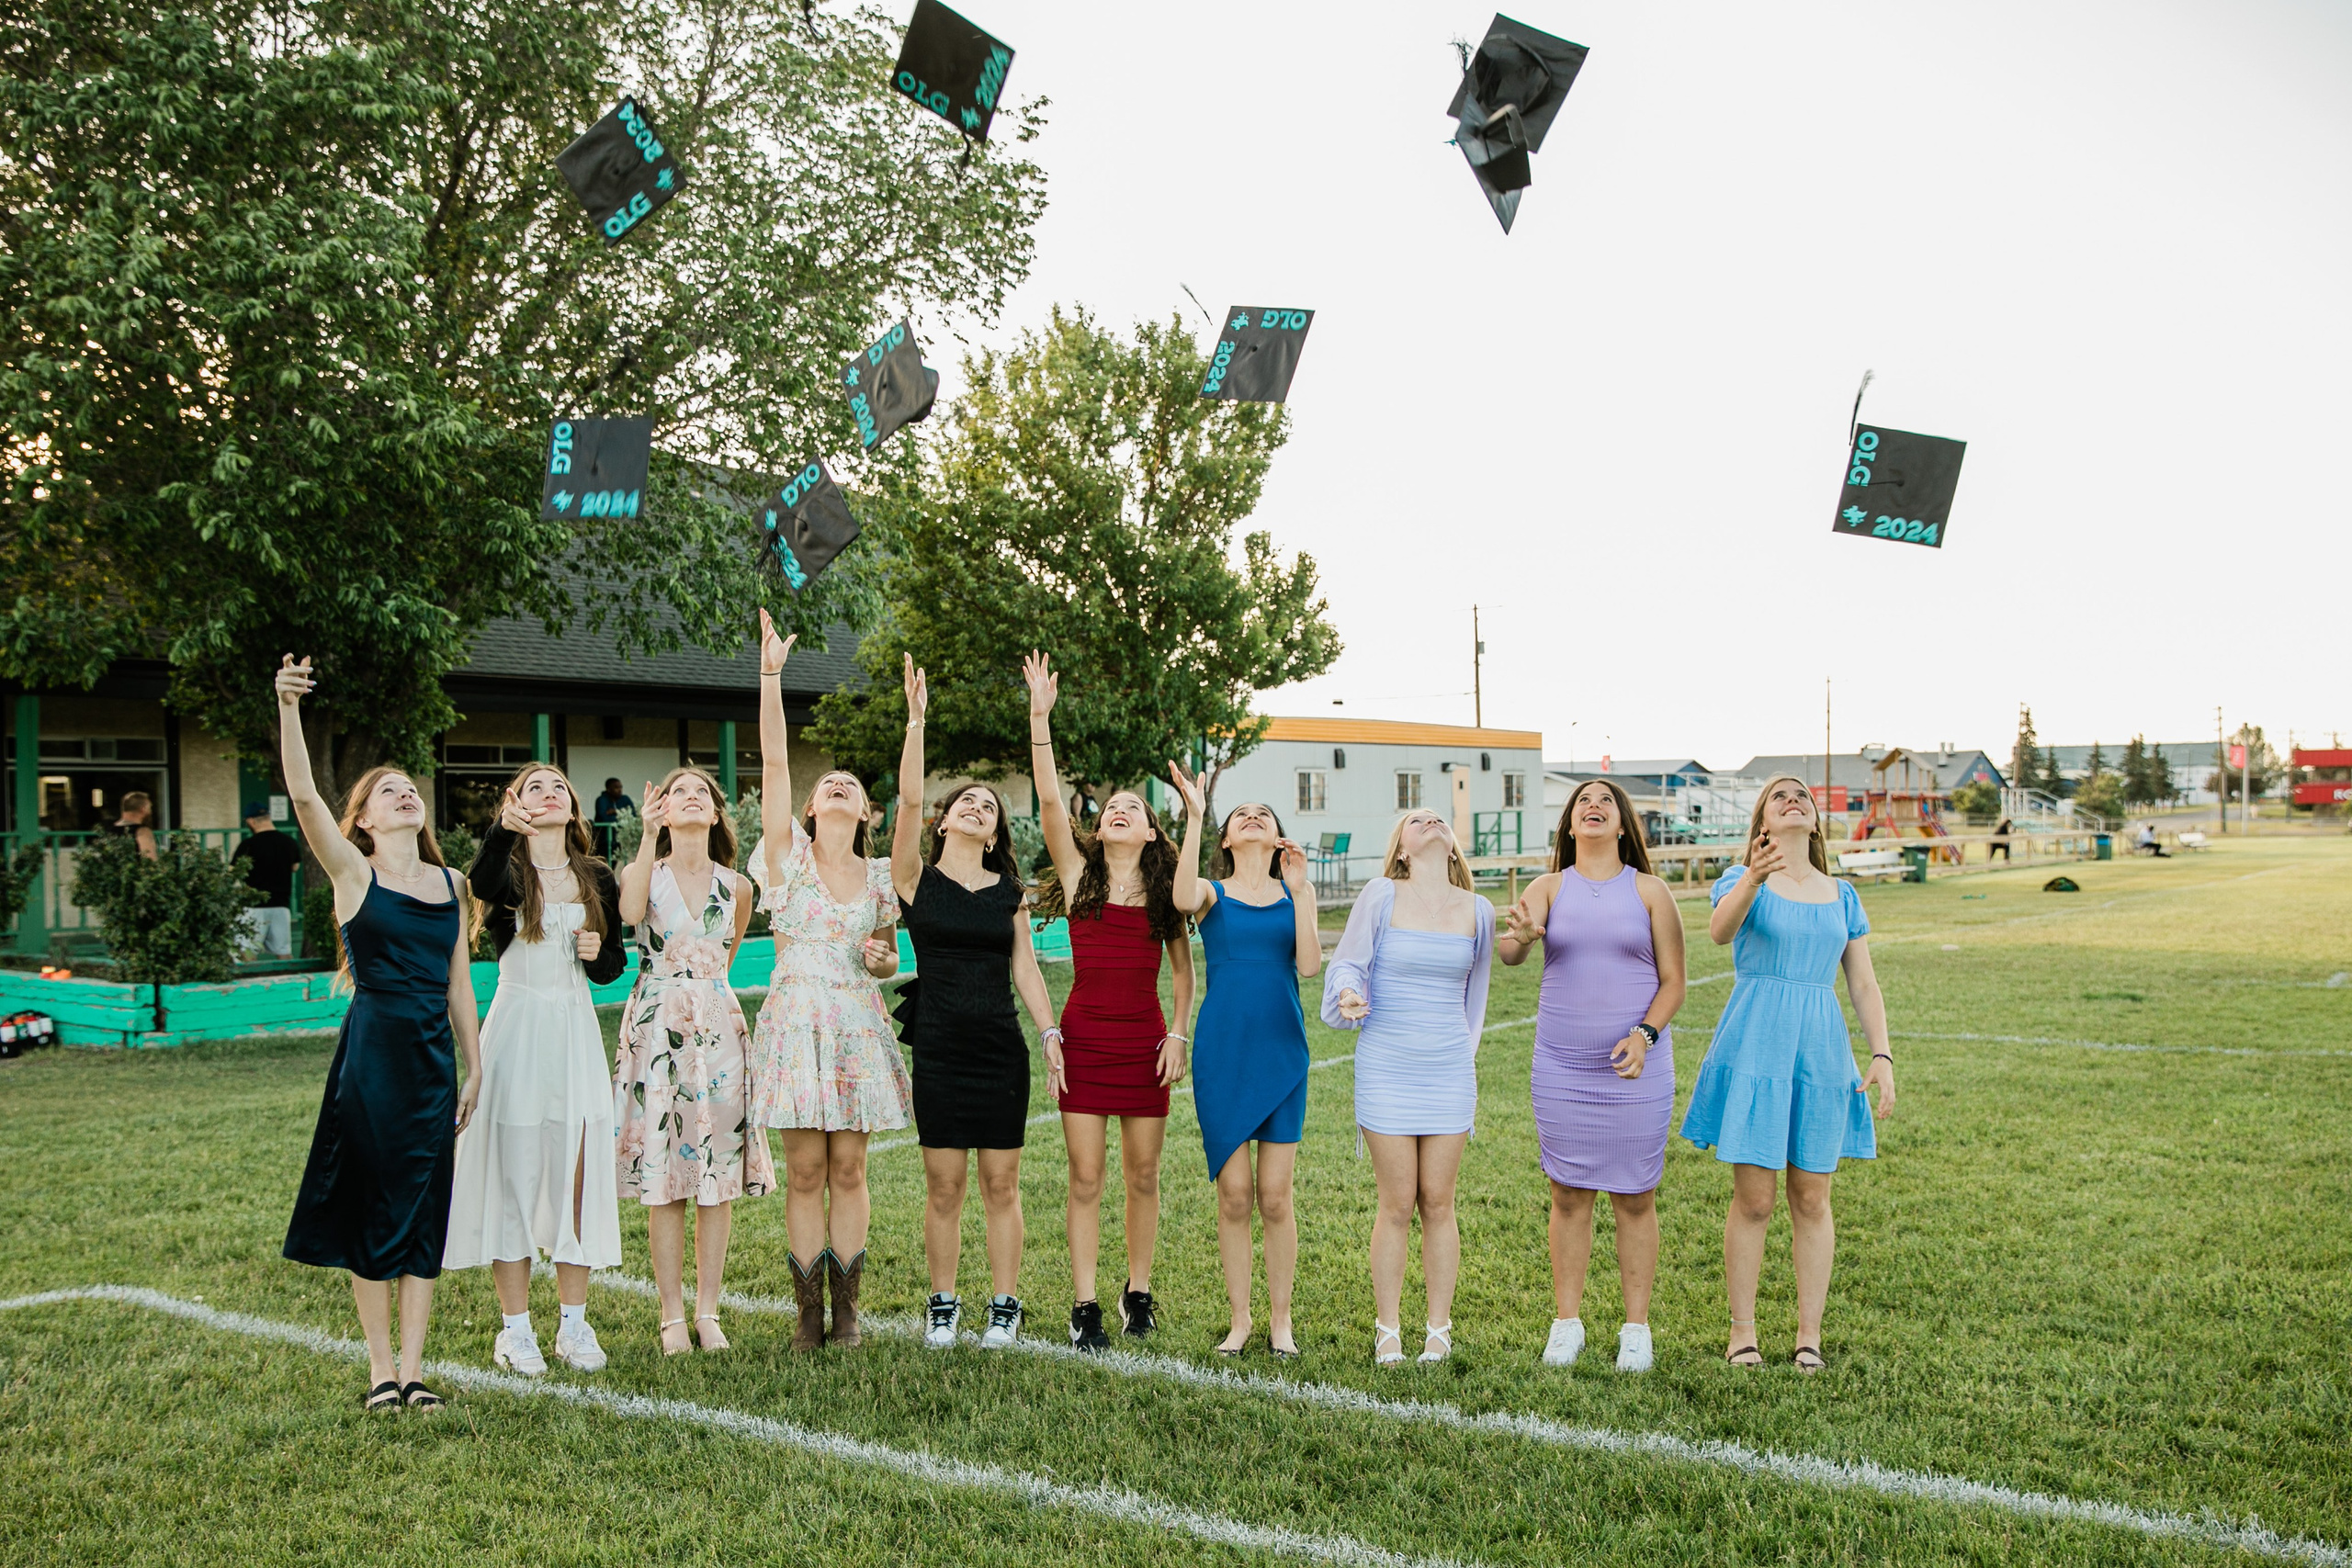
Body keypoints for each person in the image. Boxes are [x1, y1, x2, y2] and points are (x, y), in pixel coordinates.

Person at [276, 655, 481, 1412]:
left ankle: (417, 1369)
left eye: (411, 788)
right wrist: (289, 706)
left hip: (433, 1061)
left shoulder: (452, 884)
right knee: (372, 1205)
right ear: (362, 818)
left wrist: (476, 1065)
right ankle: (379, 1370)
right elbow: (302, 794)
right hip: (370, 1057)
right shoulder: (353, 875)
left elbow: (460, 982)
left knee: (426, 1207)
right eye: (388, 791)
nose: (405, 794)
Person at [1680, 774, 1896, 1372]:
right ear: (1763, 823)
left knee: (1812, 1196)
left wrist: (1881, 1054)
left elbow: (1862, 981)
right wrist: (1752, 875)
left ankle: (1809, 1336)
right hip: (1758, 1044)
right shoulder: (1741, 879)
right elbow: (1720, 930)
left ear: (1815, 821)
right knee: (1754, 1200)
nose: (1793, 798)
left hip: (1821, 1051)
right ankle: (1742, 1332)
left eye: (1802, 794)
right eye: (1779, 795)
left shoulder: (1842, 894)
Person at [1022, 652, 1194, 1350]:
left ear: (1151, 832)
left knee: (1143, 1173)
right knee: (1086, 1175)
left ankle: (1139, 1293)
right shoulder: (1077, 872)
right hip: (1085, 1038)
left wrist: (1179, 1034)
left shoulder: (1166, 894)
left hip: (1145, 1041)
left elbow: (1185, 976)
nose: (1120, 809)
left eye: (1135, 808)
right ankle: (1086, 1303)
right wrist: (1041, 716)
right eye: (1113, 806)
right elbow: (1050, 800)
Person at [746, 611, 907, 1351]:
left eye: (852, 788)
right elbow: (775, 765)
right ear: (812, 808)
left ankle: (848, 1310)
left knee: (850, 1164)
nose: (838, 787)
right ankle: (806, 1314)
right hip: (796, 1018)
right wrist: (771, 676)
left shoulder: (878, 878)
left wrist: (883, 960)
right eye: (829, 785)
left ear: (865, 812)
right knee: (805, 1167)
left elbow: (887, 954)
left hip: (854, 1022)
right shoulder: (787, 860)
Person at [891, 654, 1059, 1350]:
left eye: (987, 807)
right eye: (966, 800)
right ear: (943, 822)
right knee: (943, 1183)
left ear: (994, 834)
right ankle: (942, 1304)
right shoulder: (913, 878)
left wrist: (1049, 1035)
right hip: (937, 1044)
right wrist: (916, 721)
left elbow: (1025, 966)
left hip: (998, 1049)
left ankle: (1005, 1305)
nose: (976, 806)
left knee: (1000, 1181)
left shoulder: (1009, 894)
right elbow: (902, 801)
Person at [1498, 778, 1687, 1374]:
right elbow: (1509, 950)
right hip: (1561, 1067)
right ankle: (1567, 1322)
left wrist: (1644, 1035)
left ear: (1624, 824)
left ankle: (1636, 1328)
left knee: (1635, 1196)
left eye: (1606, 801)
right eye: (1584, 802)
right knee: (1568, 1194)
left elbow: (1674, 981)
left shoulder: (1652, 891)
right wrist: (1523, 938)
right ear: (1570, 826)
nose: (1595, 806)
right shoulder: (1549, 886)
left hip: (1637, 1068)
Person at [444, 762, 627, 1376]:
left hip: (574, 1033)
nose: (548, 792)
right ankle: (515, 1331)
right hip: (517, 1031)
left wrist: (599, 951)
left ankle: (574, 1326)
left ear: (574, 809)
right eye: (534, 786)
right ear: (516, 803)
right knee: (515, 1177)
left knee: (575, 1174)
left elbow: (611, 969)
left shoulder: (596, 875)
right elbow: (482, 878)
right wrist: (501, 830)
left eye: (558, 786)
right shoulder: (509, 871)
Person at [616, 764, 775, 1356]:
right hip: (657, 1028)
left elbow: (725, 954)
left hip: (717, 1029)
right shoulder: (644, 872)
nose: (688, 798)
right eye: (677, 791)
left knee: (717, 1173)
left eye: (699, 793)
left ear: (714, 813)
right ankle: (671, 1317)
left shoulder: (736, 887)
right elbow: (632, 914)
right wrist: (643, 833)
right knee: (666, 1174)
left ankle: (709, 1312)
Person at [1324, 810, 1494, 1366]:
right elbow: (1348, 962)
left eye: (1437, 818)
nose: (1429, 821)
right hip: (1386, 1065)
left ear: (1451, 846)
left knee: (1439, 1202)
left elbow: (1478, 993)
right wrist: (1350, 994)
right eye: (1415, 820)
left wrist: (1461, 1057)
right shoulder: (1380, 894)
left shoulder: (1480, 910)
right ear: (1401, 849)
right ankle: (1388, 1329)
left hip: (1447, 1068)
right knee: (1396, 1204)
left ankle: (1439, 1330)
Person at [1170, 765, 1320, 1359]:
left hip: (1282, 1050)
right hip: (1223, 1052)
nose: (1253, 816)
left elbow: (1309, 966)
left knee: (1275, 1195)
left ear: (1277, 835)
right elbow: (1181, 898)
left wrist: (1303, 890)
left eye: (1263, 812)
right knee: (1233, 1194)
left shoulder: (1292, 894)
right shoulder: (1211, 890)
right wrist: (1195, 813)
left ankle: (1281, 1320)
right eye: (1241, 815)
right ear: (1227, 839)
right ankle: (1240, 1319)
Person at [232, 803, 300, 958]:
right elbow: (295, 867)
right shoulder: (289, 842)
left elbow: (233, 872)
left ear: (251, 821)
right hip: (281, 906)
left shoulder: (248, 845)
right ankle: (289, 980)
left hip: (253, 907)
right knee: (284, 953)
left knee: (247, 953)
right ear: (268, 818)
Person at [593, 778, 634, 858]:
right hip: (603, 840)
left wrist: (615, 811)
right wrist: (622, 817)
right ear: (608, 789)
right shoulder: (602, 800)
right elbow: (604, 818)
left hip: (618, 839)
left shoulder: (625, 799)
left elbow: (633, 816)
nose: (620, 790)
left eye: (620, 787)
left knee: (614, 862)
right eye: (616, 787)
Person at [111, 791, 158, 861]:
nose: (150, 812)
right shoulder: (143, 832)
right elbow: (150, 861)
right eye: (149, 808)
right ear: (143, 809)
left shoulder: (109, 831)